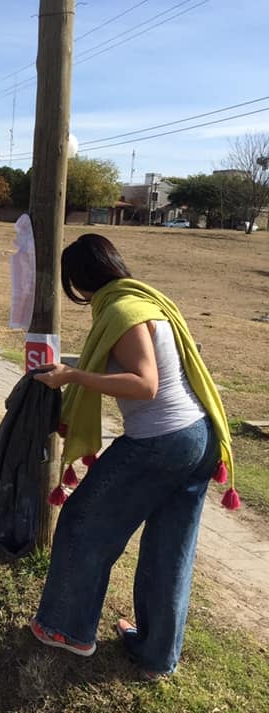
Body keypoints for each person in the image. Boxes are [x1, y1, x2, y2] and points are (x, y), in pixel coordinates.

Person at [29, 233, 237, 680]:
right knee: (169, 552)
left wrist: (75, 376)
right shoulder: (147, 301)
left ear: (80, 280)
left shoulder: (121, 312)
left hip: (160, 442)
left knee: (83, 522)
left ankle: (66, 628)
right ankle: (156, 653)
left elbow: (145, 384)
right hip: (197, 438)